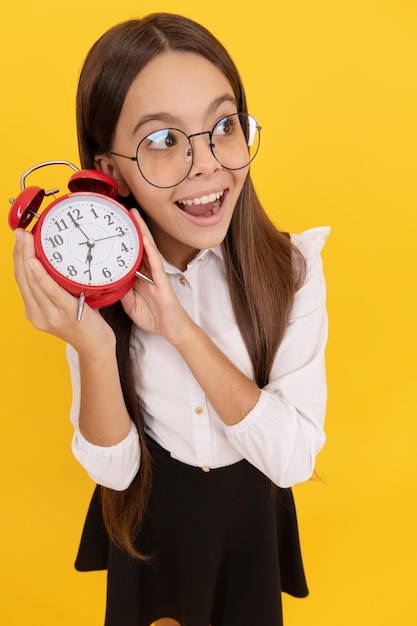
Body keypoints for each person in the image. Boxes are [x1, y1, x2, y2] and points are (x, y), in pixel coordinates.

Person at [13, 12, 329, 626]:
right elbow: (114, 469)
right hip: (150, 523)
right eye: (162, 140)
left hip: (247, 520)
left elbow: (291, 460)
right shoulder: (96, 277)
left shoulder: (292, 270)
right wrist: (93, 347)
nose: (208, 163)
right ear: (107, 174)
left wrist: (178, 327)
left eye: (224, 125)